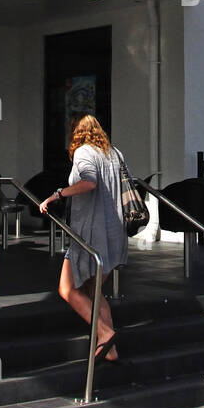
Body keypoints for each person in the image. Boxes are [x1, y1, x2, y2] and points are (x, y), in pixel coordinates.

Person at [38, 114, 127, 361]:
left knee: (67, 289)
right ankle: (111, 352)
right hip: (114, 233)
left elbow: (89, 183)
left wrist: (57, 195)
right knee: (94, 291)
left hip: (89, 234)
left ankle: (105, 334)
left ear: (76, 132)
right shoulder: (115, 154)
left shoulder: (84, 152)